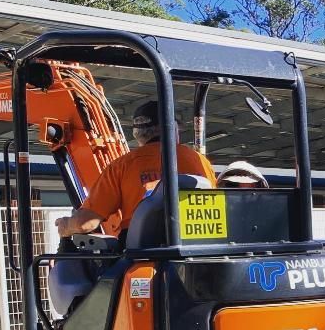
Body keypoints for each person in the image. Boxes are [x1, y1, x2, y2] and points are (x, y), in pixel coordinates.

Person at [55, 100, 216, 238]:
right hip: (197, 248)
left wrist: (67, 225)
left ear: (137, 134)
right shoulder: (201, 162)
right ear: (172, 129)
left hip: (142, 252)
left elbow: (86, 223)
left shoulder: (122, 166)